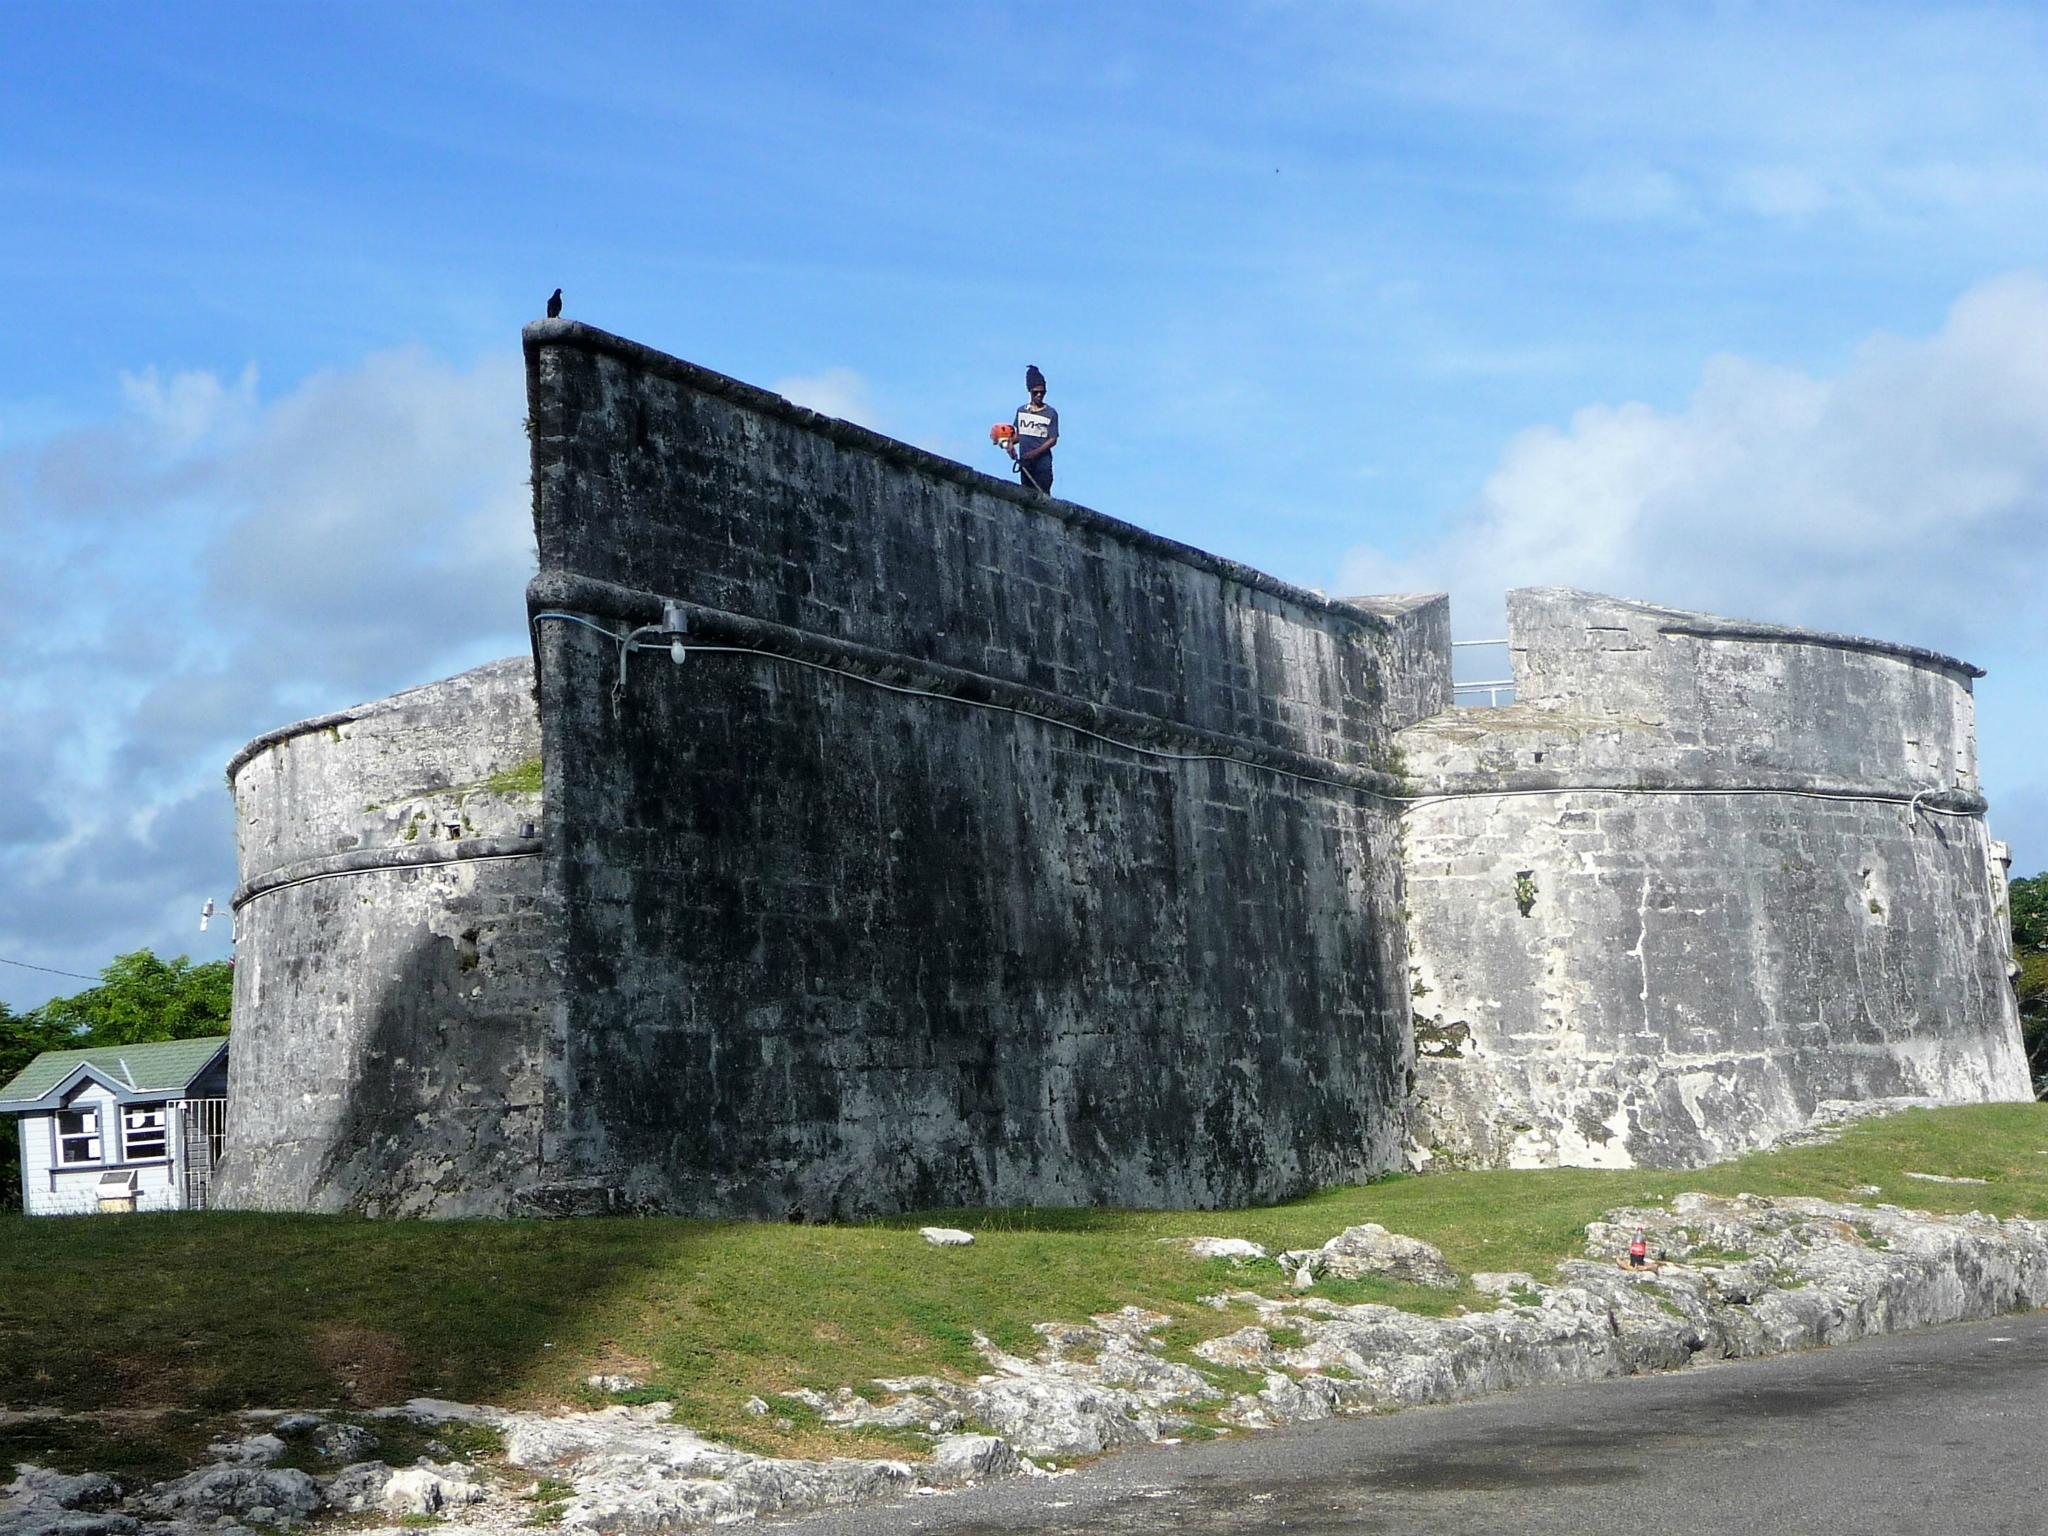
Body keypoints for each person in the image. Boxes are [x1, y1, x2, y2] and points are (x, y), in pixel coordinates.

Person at [1011, 365, 1058, 495]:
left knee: (1043, 494)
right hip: (1026, 462)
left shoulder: (1050, 413)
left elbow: (1053, 439)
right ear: (1029, 391)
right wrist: (1008, 443)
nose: (1039, 395)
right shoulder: (1021, 411)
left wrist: (1035, 452)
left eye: (1042, 392)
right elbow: (1019, 435)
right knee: (1026, 494)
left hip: (1042, 463)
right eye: (1035, 392)